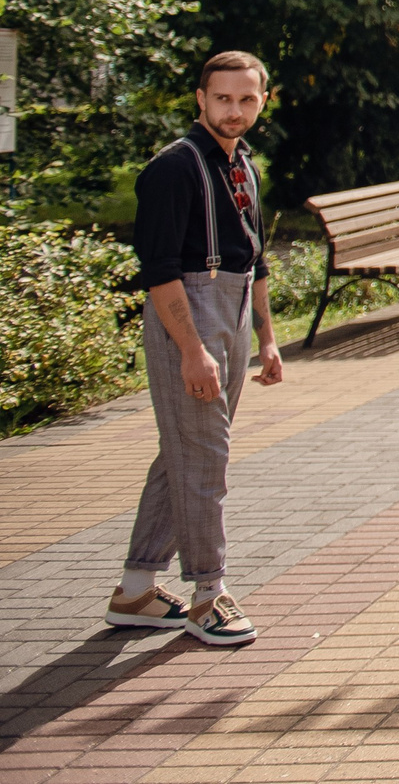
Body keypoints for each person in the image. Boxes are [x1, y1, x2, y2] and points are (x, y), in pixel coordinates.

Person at [104, 50, 284, 646]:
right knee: (206, 456)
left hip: (233, 308)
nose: (235, 110)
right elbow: (158, 271)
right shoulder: (173, 168)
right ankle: (210, 594)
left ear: (262, 101)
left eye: (247, 99)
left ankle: (135, 591)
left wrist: (267, 338)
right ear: (201, 99)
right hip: (188, 312)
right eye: (223, 98)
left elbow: (256, 259)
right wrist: (191, 349)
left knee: (184, 452)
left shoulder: (244, 164)